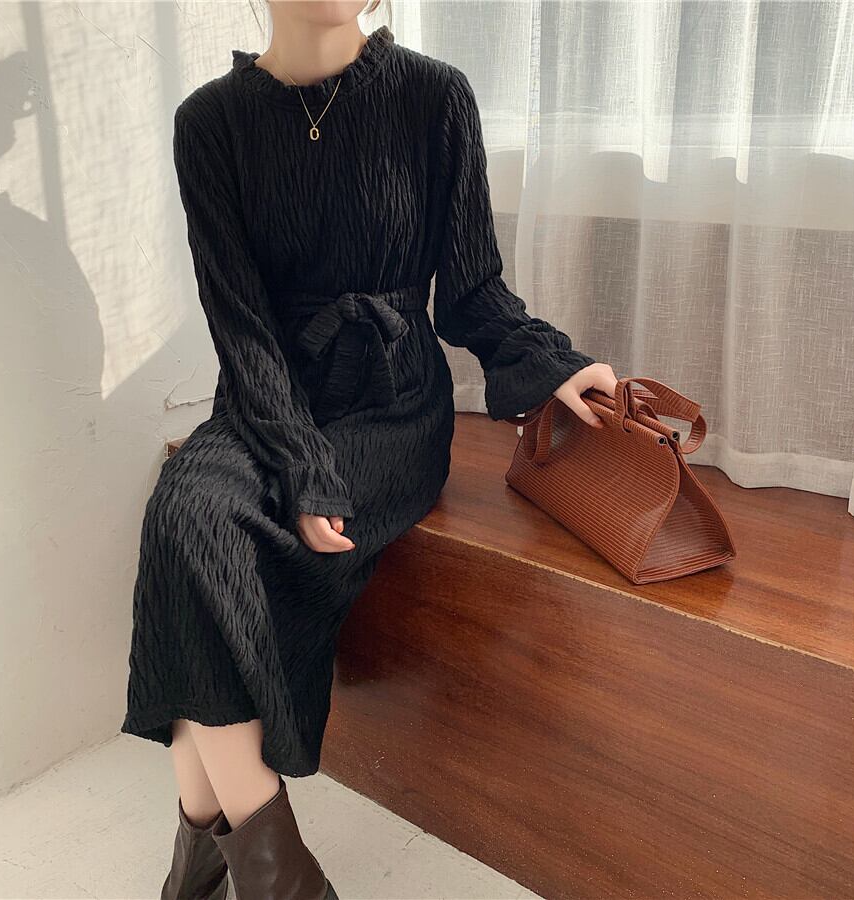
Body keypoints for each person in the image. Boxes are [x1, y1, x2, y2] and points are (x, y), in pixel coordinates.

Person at [120, 3, 618, 898]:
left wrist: (550, 363)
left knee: (200, 541)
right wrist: (300, 462)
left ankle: (202, 848)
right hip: (267, 402)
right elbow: (240, 323)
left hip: (392, 409)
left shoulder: (435, 96)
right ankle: (277, 873)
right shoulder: (210, 121)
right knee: (186, 511)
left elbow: (470, 289)